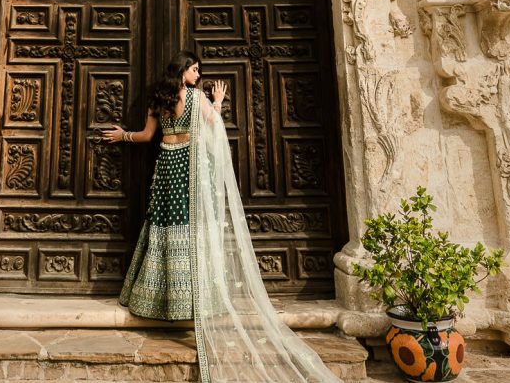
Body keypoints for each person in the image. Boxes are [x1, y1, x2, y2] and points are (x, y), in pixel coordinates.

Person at [103, 52, 338, 383]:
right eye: (194, 69)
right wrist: (219, 103)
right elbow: (214, 127)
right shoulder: (197, 98)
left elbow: (145, 136)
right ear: (182, 70)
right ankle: (188, 297)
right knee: (187, 227)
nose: (198, 75)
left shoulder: (160, 98)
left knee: (167, 226)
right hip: (187, 166)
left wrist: (123, 135)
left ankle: (164, 297)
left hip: (168, 165)